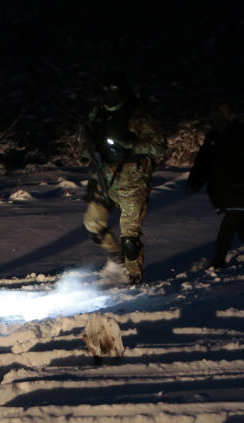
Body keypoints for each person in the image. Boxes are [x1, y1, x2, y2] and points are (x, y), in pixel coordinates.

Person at [79, 74, 164, 285]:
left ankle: (133, 278)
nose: (110, 95)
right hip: (104, 178)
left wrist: (132, 144)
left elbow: (159, 145)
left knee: (130, 240)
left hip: (132, 181)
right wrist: (88, 150)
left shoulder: (137, 115)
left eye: (114, 90)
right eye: (106, 90)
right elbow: (85, 138)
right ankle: (118, 261)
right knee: (93, 224)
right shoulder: (98, 114)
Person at [186, 102, 244, 268]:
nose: (221, 117)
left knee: (230, 223)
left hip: (242, 188)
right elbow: (203, 161)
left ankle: (218, 260)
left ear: (231, 114)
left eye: (224, 113)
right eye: (218, 113)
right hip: (223, 190)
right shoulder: (214, 137)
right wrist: (194, 182)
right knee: (242, 224)